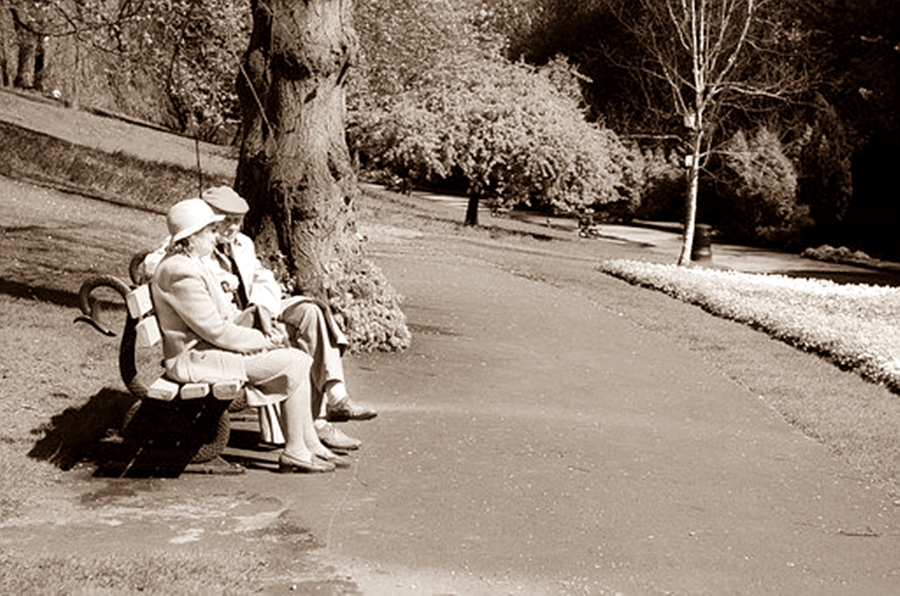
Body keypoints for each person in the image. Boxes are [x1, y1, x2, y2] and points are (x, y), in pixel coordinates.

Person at [139, 186, 375, 451]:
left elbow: (263, 278)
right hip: (219, 335)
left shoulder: (241, 244)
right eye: (222, 222)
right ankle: (309, 432)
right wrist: (262, 337)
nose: (229, 228)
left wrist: (263, 307)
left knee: (311, 311)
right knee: (291, 356)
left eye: (237, 221)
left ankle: (334, 398)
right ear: (204, 224)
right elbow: (160, 265)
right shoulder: (184, 256)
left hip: (251, 313)